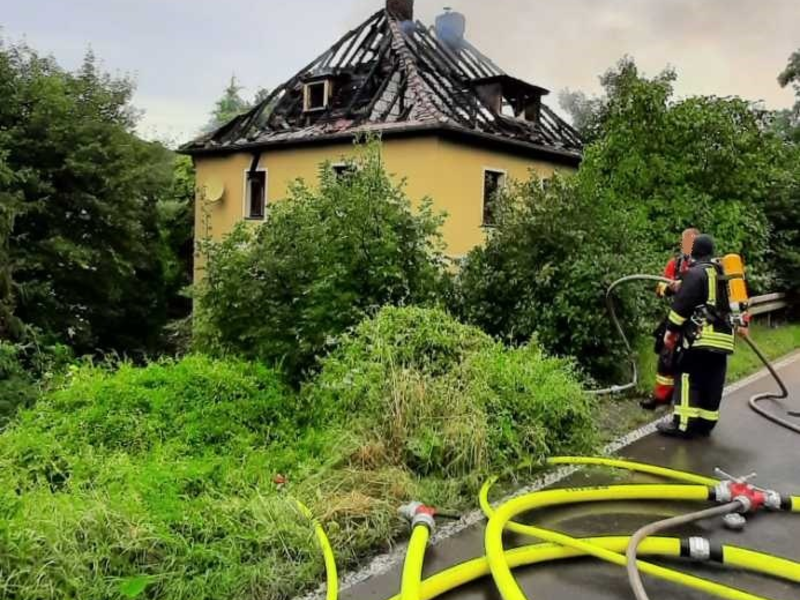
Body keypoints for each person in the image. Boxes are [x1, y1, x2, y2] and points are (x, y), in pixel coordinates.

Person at [656, 234, 735, 438]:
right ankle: (706, 423)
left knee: (687, 375)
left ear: (695, 252)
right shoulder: (723, 272)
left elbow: (681, 307)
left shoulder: (695, 273)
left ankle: (682, 424)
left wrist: (671, 332)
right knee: (713, 379)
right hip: (724, 338)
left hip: (701, 337)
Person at [640, 228, 699, 410]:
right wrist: (670, 288)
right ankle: (661, 396)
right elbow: (660, 288)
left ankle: (687, 398)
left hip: (697, 320)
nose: (687, 246)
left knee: (690, 360)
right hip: (677, 315)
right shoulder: (675, 263)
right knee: (666, 354)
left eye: (691, 242)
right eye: (685, 242)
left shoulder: (704, 266)